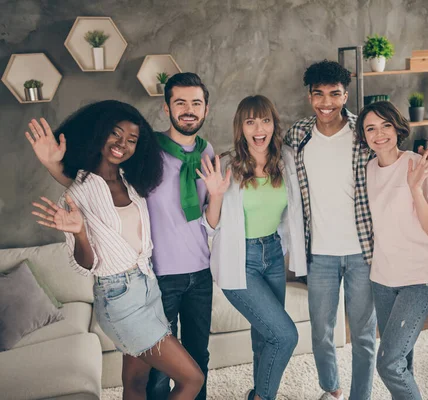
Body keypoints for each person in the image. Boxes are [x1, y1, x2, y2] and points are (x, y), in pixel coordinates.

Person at [25, 73, 216, 400]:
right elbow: (85, 255)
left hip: (151, 287)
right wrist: (53, 170)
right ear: (166, 106)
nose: (122, 144)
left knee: (136, 383)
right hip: (123, 296)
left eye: (130, 139)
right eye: (115, 135)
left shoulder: (132, 179)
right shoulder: (86, 188)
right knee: (191, 379)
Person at [200, 95, 306, 400]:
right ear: (241, 128)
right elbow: (210, 225)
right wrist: (216, 195)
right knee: (285, 335)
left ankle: (258, 393)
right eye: (250, 122)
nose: (259, 129)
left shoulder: (286, 160)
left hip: (273, 255)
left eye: (265, 120)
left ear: (273, 124)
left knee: (265, 338)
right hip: (239, 260)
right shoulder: (226, 164)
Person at [284, 60, 376, 400]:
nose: (327, 103)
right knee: (322, 331)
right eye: (319, 94)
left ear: (345, 94)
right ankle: (332, 390)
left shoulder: (363, 132)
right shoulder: (297, 135)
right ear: (309, 96)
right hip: (319, 253)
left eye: (334, 94)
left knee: (364, 334)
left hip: (362, 252)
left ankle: (361, 396)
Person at [356, 101, 428, 400]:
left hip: (419, 276)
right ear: (364, 135)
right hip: (383, 277)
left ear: (397, 128)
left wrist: (415, 188)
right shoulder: (368, 169)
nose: (378, 134)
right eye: (370, 128)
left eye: (385, 126)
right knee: (402, 360)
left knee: (389, 363)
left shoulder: (416, 164)